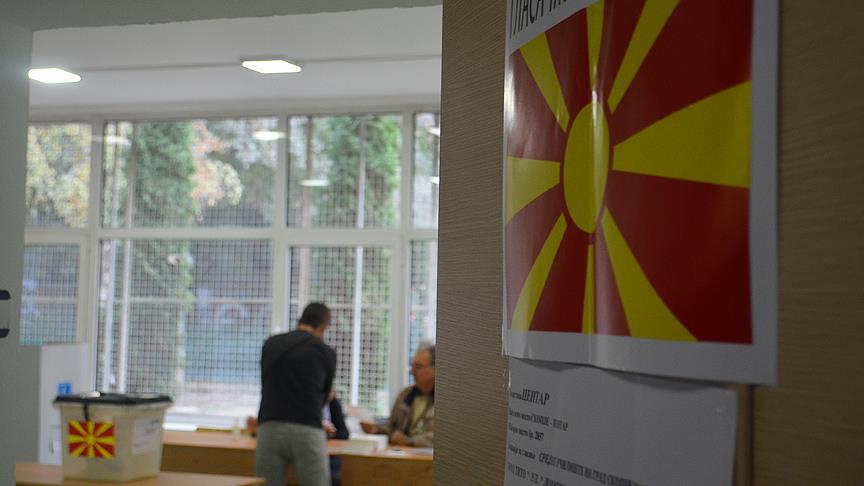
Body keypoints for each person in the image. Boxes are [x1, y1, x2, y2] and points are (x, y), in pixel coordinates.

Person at [256, 303, 337, 486]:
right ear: (323, 326)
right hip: (307, 428)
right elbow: (324, 397)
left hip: (270, 427)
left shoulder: (271, 344)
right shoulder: (325, 352)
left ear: (301, 320)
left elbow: (266, 382)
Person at [361, 343, 435, 447]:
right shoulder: (405, 395)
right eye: (412, 366)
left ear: (435, 369)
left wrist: (411, 441)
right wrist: (377, 429)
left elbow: (444, 437)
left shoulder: (448, 400)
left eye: (418, 366)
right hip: (403, 453)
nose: (412, 371)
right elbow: (393, 427)